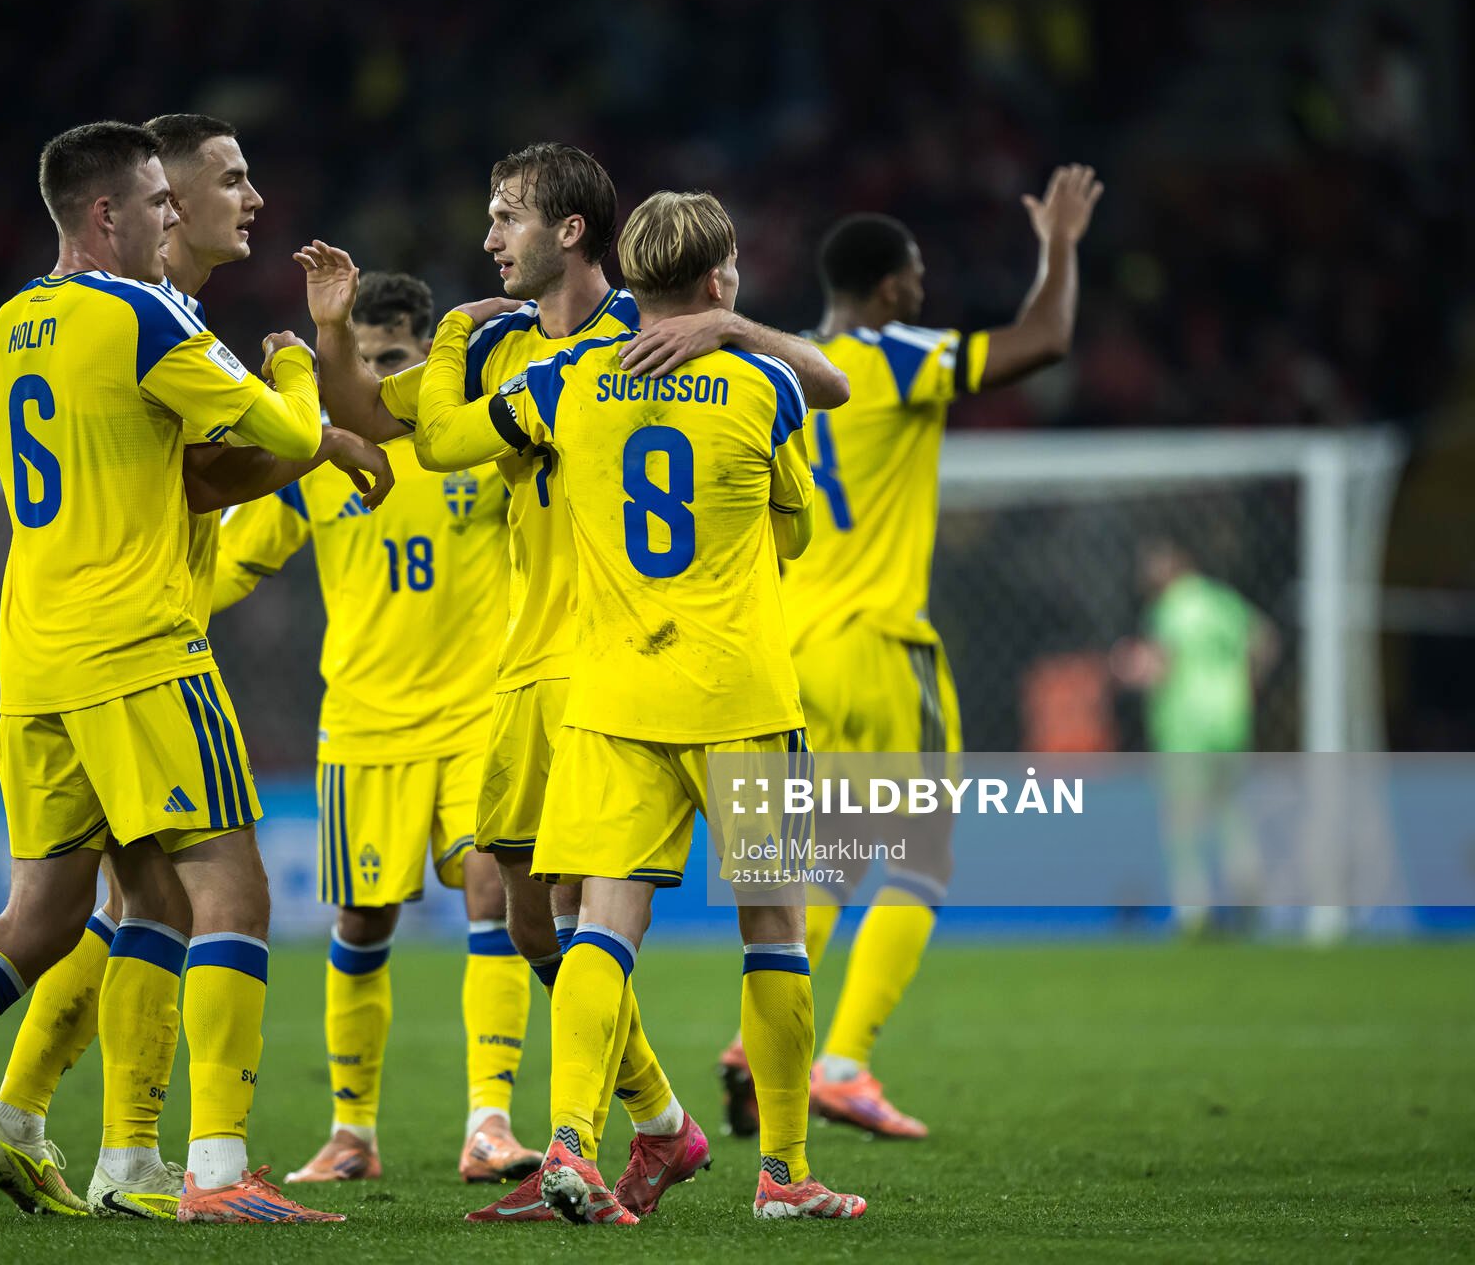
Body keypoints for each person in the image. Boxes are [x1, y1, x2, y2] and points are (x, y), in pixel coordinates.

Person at [0, 119, 342, 1225]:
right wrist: (298, 361)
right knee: (231, 887)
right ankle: (217, 1171)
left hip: (36, 657)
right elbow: (289, 431)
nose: (172, 215)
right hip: (137, 645)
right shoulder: (144, 314)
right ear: (107, 213)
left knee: (58, 910)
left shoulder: (7, 327)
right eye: (159, 200)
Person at [294, 142, 847, 1221]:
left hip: (606, 681)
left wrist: (455, 344)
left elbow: (439, 436)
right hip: (663, 681)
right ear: (720, 275)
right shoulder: (733, 376)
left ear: (588, 239)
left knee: (594, 921)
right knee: (600, 928)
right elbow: (812, 449)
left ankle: (575, 1138)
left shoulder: (576, 371)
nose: (491, 236)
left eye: (507, 215)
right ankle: (720, 1147)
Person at [0, 112, 392, 1221]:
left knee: (123, 902)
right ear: (159, 206)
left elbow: (13, 453)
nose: (252, 199)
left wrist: (322, 384)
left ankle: (40, 1127)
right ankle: (204, 1159)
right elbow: (239, 468)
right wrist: (318, 407)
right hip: (158, 652)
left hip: (69, 649)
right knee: (197, 893)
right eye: (222, 182)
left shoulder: (73, 321)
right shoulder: (156, 323)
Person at [717, 164, 1104, 1142]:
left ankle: (755, 1042)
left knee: (834, 858)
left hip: (791, 650)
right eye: (918, 275)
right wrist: (1059, 245)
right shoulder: (895, 356)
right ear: (890, 286)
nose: (925, 288)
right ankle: (843, 1063)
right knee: (923, 858)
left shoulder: (782, 374)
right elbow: (1044, 340)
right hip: (883, 646)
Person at [208, 271, 544, 1184]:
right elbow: (232, 564)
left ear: (428, 355)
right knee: (361, 920)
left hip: (480, 714)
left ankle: (490, 1122)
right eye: (360, 363)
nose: (377, 381)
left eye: (393, 361)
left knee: (495, 897)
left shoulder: (472, 441)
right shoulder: (316, 458)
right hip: (363, 726)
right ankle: (351, 1132)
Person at [1112, 538, 1277, 935]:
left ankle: (1194, 910)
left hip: (1184, 727)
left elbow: (1159, 666)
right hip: (1230, 721)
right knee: (1231, 813)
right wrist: (1247, 684)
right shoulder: (1221, 601)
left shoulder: (1170, 610)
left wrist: (1127, 670)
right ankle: (1247, 895)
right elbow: (1264, 641)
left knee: (1182, 822)